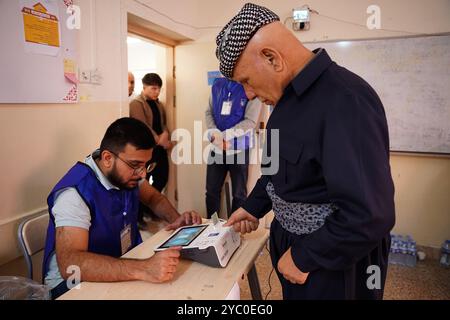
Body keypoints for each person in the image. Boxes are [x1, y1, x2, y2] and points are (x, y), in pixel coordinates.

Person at [218, 3, 395, 300]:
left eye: (245, 81)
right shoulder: (283, 102)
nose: (247, 94)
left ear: (272, 58)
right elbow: (275, 174)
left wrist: (304, 257)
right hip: (296, 251)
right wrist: (252, 207)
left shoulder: (345, 99)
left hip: (332, 260)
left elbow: (369, 214)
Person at [42, 118, 201, 299]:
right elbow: (71, 266)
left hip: (117, 261)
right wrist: (145, 268)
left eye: (146, 165)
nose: (143, 174)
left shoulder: (125, 171)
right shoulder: (75, 194)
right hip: (71, 286)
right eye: (136, 165)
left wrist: (176, 219)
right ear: (108, 158)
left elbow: (153, 197)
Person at [205, 77, 261, 218]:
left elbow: (250, 121)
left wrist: (224, 136)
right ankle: (213, 227)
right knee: (211, 191)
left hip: (239, 148)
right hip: (217, 147)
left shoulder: (251, 85)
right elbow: (208, 112)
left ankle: (234, 230)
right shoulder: (218, 85)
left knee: (239, 193)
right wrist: (215, 134)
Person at [129, 73, 172, 228]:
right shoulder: (136, 103)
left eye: (158, 89)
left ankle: (149, 209)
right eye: (153, 88)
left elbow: (163, 124)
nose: (156, 92)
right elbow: (142, 126)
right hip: (146, 149)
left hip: (160, 149)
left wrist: (165, 134)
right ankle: (138, 216)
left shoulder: (159, 104)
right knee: (143, 182)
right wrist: (158, 139)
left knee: (162, 177)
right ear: (144, 87)